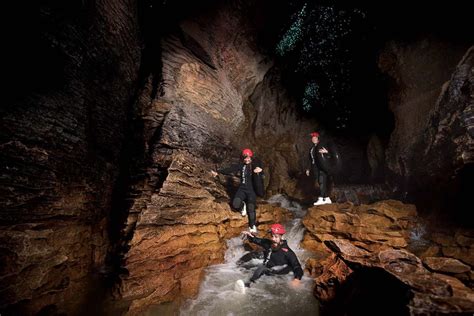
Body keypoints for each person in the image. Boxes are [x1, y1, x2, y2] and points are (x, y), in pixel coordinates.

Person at [235, 223, 303, 293]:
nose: (273, 239)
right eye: (272, 236)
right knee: (253, 255)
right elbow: (256, 240)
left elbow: (297, 266)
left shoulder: (288, 252)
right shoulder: (268, 243)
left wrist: (297, 279)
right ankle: (236, 266)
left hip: (279, 273)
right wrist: (249, 235)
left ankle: (247, 286)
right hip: (268, 269)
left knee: (261, 268)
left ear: (281, 237)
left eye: (276, 237)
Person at [211, 148, 263, 233]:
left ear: (251, 157)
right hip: (242, 189)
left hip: (251, 190)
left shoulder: (254, 165)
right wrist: (218, 172)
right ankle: (243, 206)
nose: (247, 159)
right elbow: (230, 169)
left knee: (251, 208)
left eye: (248, 157)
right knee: (235, 204)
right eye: (245, 158)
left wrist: (259, 169)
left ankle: (252, 226)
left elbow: (259, 165)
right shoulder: (241, 165)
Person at [305, 132, 332, 205]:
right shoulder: (312, 148)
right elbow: (310, 159)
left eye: (315, 138)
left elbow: (331, 155)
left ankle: (321, 198)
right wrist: (308, 169)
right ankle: (326, 198)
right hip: (314, 167)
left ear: (318, 138)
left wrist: (326, 152)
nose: (313, 139)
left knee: (321, 181)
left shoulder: (322, 146)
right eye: (312, 138)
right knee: (320, 182)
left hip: (321, 166)